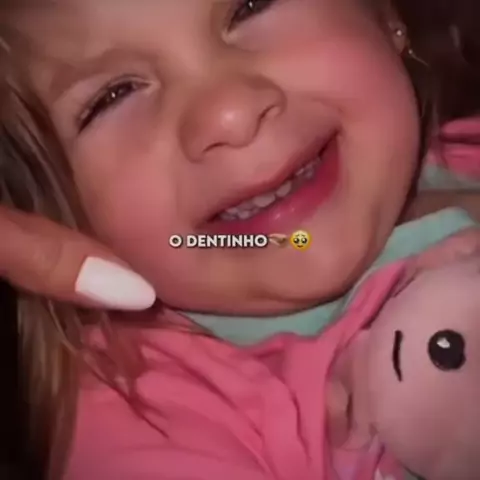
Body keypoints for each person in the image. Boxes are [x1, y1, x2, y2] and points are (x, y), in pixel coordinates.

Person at [1, 0, 480, 478]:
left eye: (250, 7)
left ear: (384, 15)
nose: (230, 114)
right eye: (113, 95)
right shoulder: (140, 417)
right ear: (54, 216)